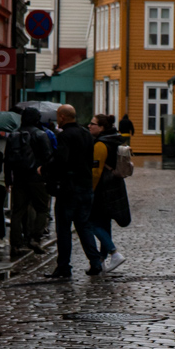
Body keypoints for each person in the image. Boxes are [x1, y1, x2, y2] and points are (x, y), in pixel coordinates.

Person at [42, 104, 102, 279]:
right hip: (85, 186)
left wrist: (45, 170)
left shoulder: (65, 136)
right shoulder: (86, 134)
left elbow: (61, 160)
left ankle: (64, 267)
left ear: (62, 117)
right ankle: (96, 262)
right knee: (84, 226)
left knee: (64, 229)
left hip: (69, 189)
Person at [5, 108, 53, 257]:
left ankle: (15, 244)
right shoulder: (40, 134)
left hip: (19, 178)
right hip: (37, 177)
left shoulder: (13, 135)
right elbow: (48, 157)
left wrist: (8, 179)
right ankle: (34, 237)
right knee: (42, 208)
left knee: (17, 211)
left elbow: (7, 160)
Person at [88, 114, 125, 272]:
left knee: (90, 223)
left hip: (102, 188)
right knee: (104, 223)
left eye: (92, 124)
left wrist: (90, 191)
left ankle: (114, 253)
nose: (89, 126)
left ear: (101, 127)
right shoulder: (112, 140)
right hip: (112, 186)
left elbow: (95, 172)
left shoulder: (100, 145)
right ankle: (102, 261)